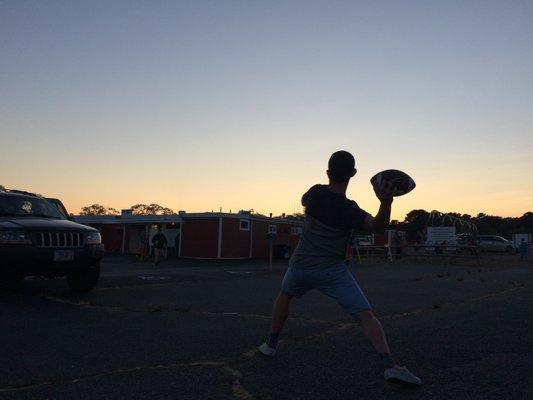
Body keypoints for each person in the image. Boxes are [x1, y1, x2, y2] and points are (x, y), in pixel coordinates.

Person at [258, 151, 422, 387]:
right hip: (332, 270)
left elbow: (305, 200)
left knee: (285, 295)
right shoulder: (351, 211)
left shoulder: (314, 193)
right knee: (366, 316)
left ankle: (270, 345)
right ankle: (390, 365)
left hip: (301, 265)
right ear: (353, 174)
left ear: (327, 172)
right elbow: (377, 227)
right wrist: (386, 202)